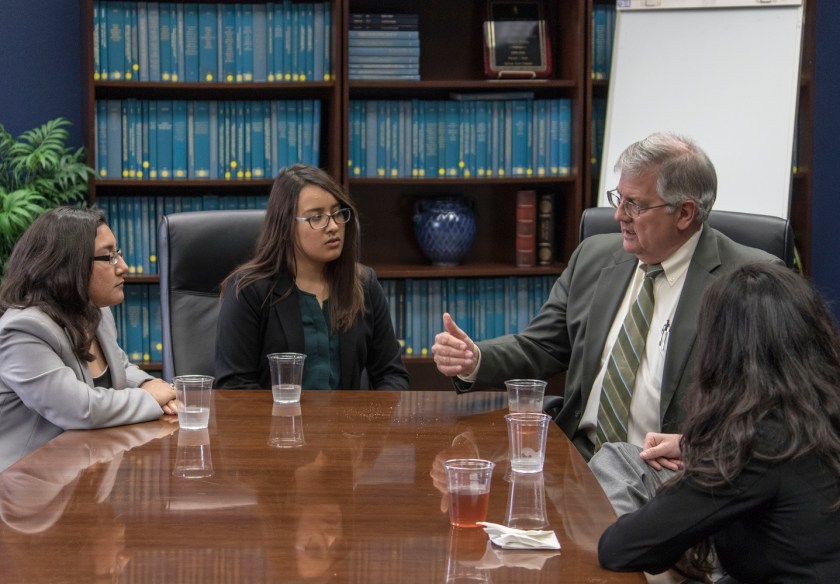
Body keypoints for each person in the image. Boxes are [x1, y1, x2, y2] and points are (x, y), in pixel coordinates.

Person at [432, 132, 782, 460]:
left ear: (685, 213)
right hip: (582, 458)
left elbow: (777, 407)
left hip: (673, 471)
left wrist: (695, 447)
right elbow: (542, 346)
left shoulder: (751, 280)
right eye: (618, 199)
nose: (618, 216)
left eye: (635, 205)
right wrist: (474, 358)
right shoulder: (593, 258)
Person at [596, 263, 840, 581]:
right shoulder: (816, 413)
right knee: (620, 457)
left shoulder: (759, 445)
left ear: (724, 353)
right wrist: (696, 446)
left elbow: (619, 548)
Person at [0, 207, 176, 473]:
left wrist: (150, 383)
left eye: (119, 254)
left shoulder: (96, 311)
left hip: (80, 471)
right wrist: (149, 399)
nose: (123, 267)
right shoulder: (23, 330)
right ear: (68, 265)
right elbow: (78, 409)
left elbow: (119, 366)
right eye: (109, 257)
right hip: (25, 488)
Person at [215, 164, 408, 390]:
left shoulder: (363, 283)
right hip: (277, 423)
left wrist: (372, 422)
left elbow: (392, 375)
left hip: (349, 424)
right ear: (285, 225)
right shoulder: (249, 290)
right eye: (316, 217)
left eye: (337, 213)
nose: (333, 226)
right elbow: (234, 386)